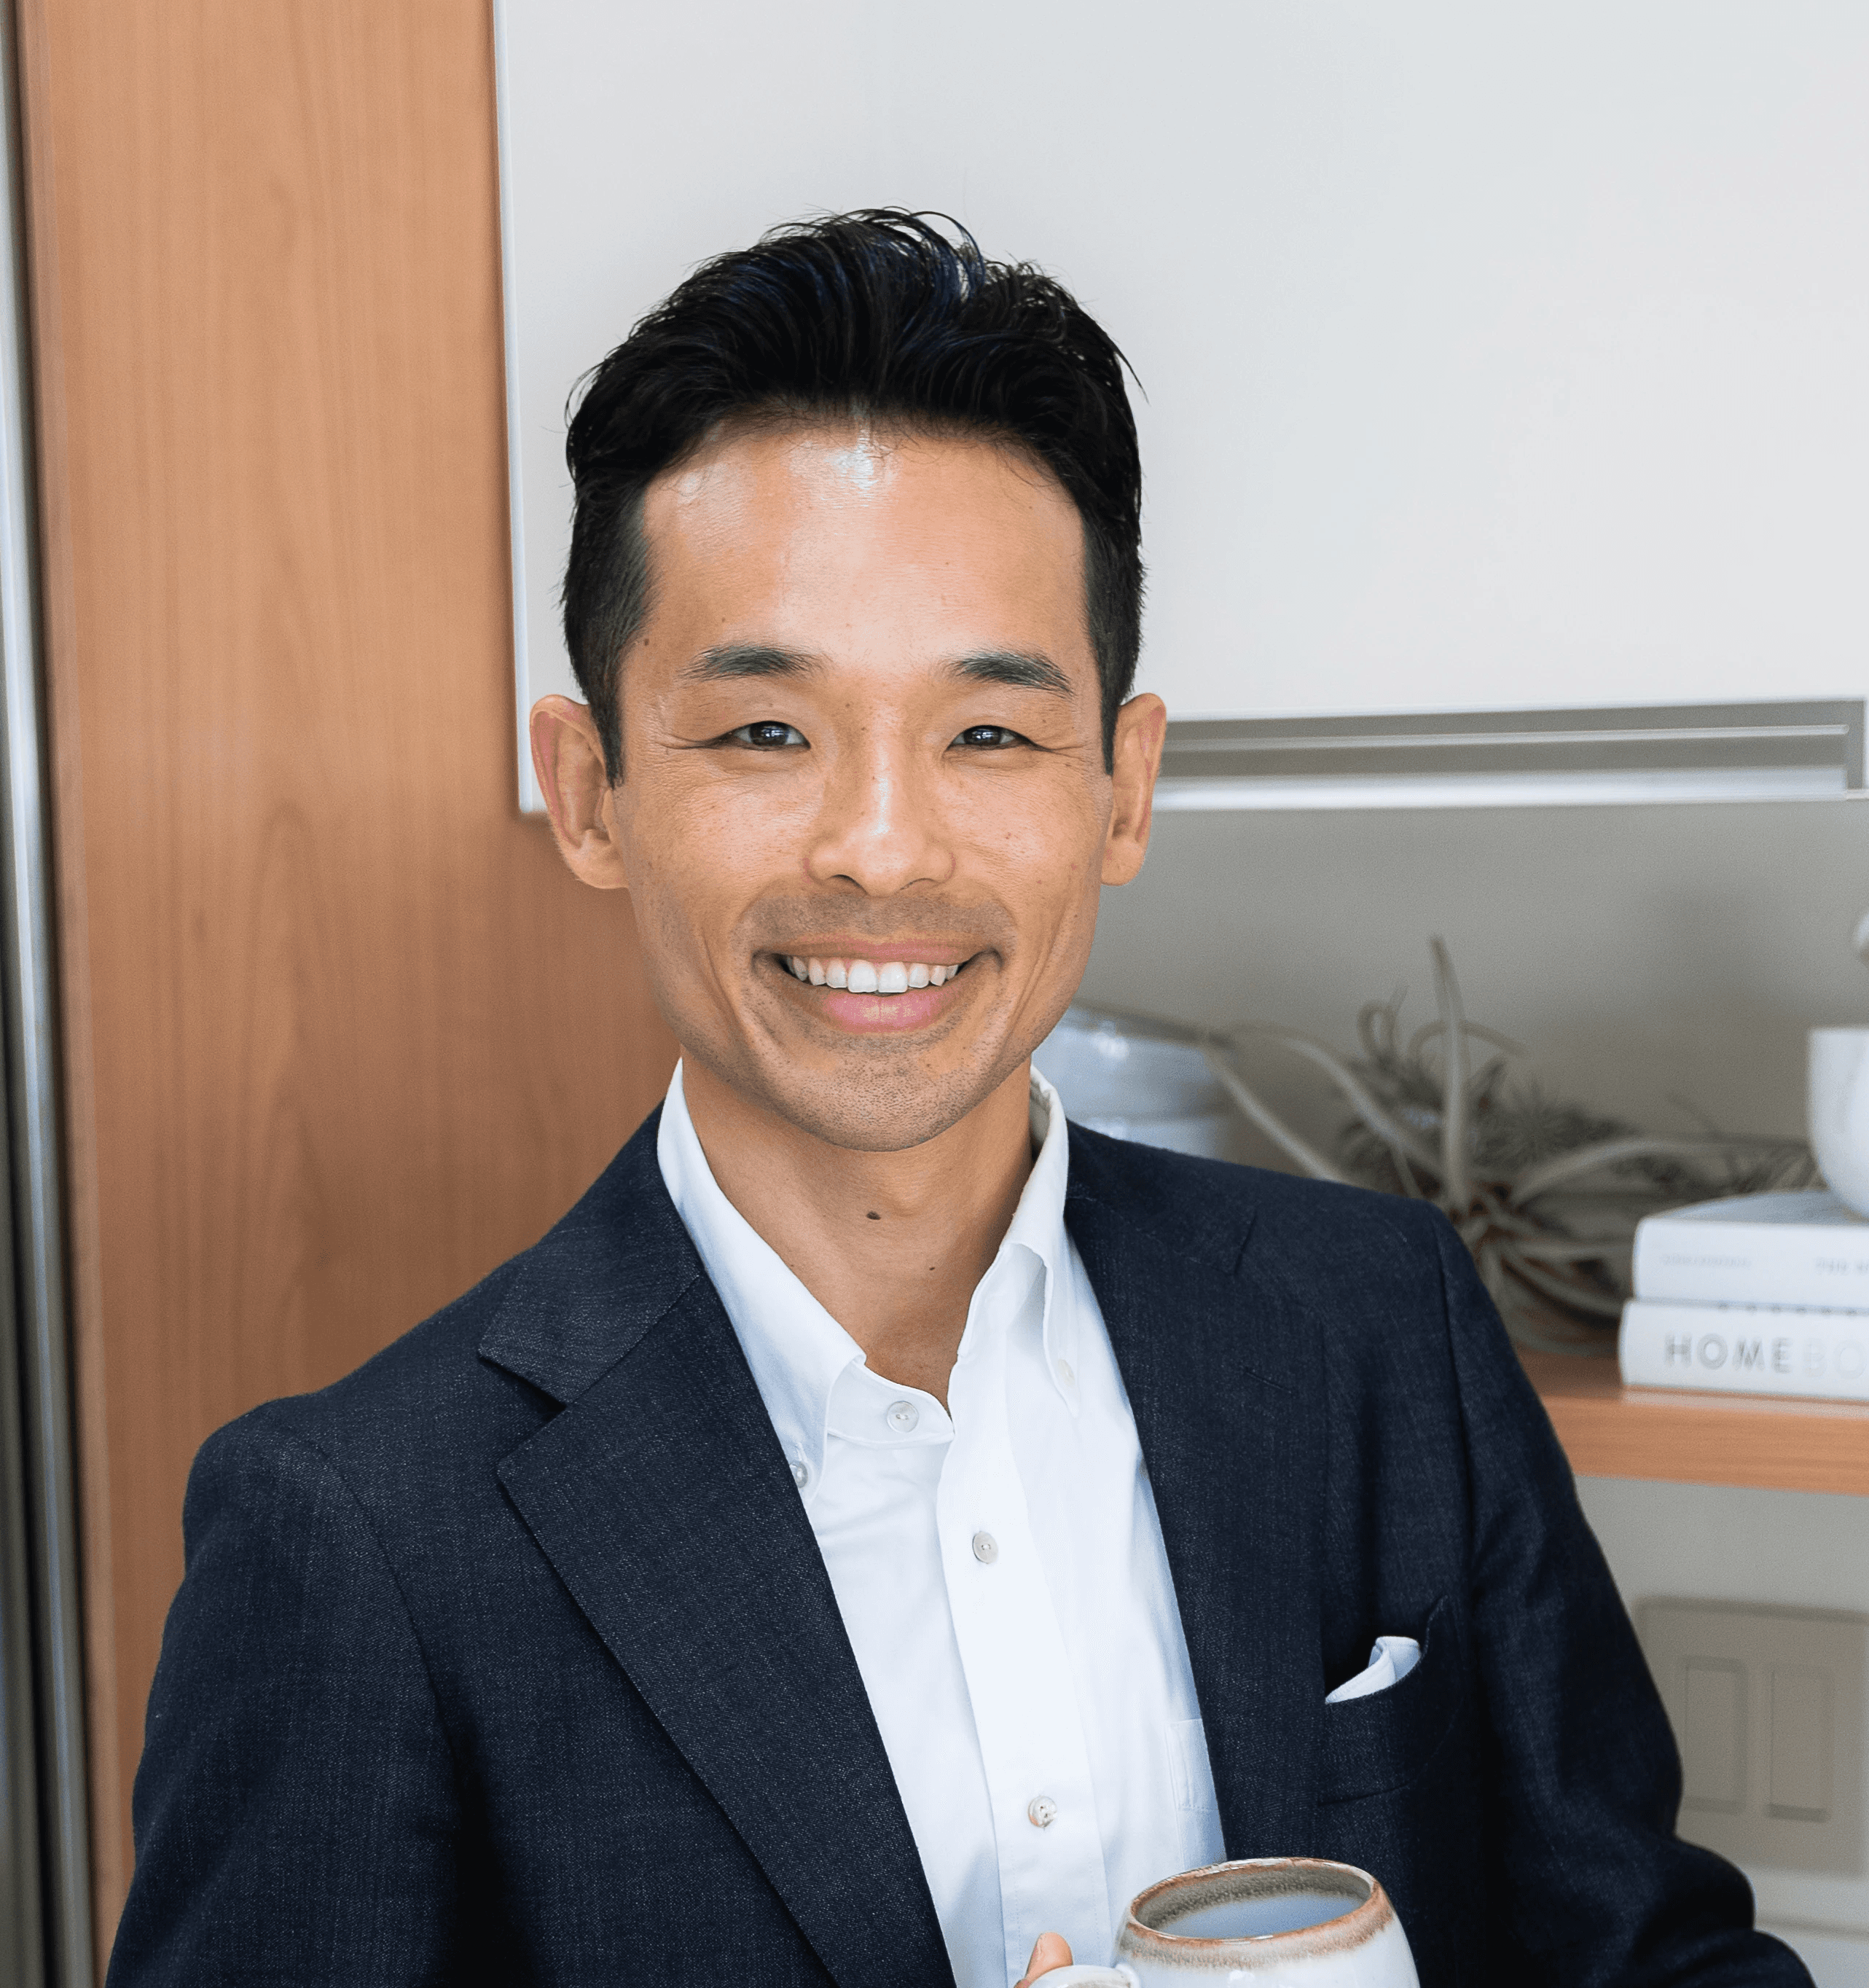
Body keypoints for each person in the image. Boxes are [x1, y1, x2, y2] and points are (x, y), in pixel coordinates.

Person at [107, 211, 1809, 1988]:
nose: (882, 845)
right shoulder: (356, 1529)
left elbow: (1649, 1958)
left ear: (1121, 789)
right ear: (592, 791)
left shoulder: (1378, 1323)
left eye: (988, 733)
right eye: (765, 732)